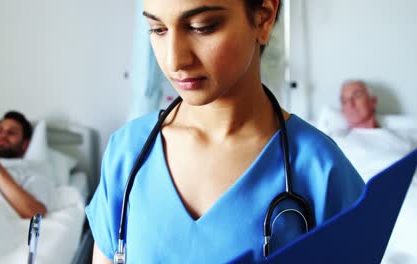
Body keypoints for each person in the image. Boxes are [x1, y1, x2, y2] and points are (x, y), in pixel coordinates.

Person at [86, 0, 364, 263]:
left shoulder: (321, 170)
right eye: (158, 29)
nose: (175, 60)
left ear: (264, 17)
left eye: (201, 26)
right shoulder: (127, 153)